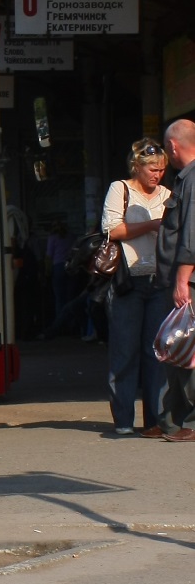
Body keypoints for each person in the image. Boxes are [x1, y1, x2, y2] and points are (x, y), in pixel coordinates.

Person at [104, 139, 172, 436]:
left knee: (156, 352)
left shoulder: (168, 195)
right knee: (125, 351)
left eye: (161, 170)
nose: (156, 175)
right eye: (151, 169)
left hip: (160, 281)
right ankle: (123, 420)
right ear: (137, 166)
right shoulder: (120, 189)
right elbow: (112, 229)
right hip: (128, 280)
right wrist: (152, 224)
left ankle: (155, 421)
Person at [154, 120, 195, 442]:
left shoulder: (193, 180)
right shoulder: (185, 179)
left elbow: (191, 236)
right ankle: (172, 420)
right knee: (178, 351)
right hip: (184, 279)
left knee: (185, 352)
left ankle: (187, 422)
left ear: (172, 147)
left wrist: (182, 280)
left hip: (189, 282)